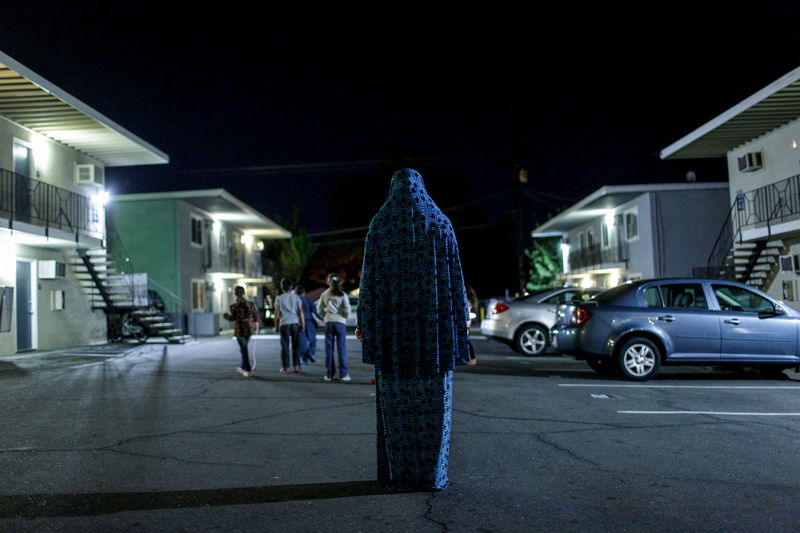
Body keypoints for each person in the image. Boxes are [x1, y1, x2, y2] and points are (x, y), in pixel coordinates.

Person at [356, 168, 470, 491]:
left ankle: (400, 475)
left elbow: (368, 281)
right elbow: (457, 279)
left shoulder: (380, 226)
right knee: (435, 408)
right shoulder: (441, 225)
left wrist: (365, 323)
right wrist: (460, 318)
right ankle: (433, 476)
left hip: (394, 342)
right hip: (435, 340)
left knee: (398, 410)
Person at [317, 274, 351, 381]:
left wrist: (325, 315)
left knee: (329, 349)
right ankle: (343, 375)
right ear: (340, 282)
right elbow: (347, 310)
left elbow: (319, 309)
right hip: (340, 323)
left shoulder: (324, 294)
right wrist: (344, 316)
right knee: (342, 349)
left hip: (329, 322)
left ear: (330, 282)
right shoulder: (343, 294)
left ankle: (330, 374)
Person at [222, 285, 260, 377]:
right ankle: (243, 366)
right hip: (249, 329)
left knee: (244, 349)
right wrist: (255, 321)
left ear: (235, 294)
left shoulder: (234, 306)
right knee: (244, 348)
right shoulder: (250, 304)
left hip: (240, 330)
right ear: (244, 293)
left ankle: (248, 369)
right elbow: (255, 315)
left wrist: (226, 315)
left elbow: (233, 318)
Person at [274, 278, 305, 374]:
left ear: (282, 287)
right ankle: (297, 366)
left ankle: (286, 367)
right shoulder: (296, 297)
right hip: (295, 323)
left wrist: (276, 325)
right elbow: (300, 312)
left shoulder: (279, 298)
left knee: (285, 346)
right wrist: (303, 324)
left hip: (284, 323)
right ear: (291, 287)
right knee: (296, 345)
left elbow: (277, 314)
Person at [295, 285, 322, 363]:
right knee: (312, 339)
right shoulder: (308, 300)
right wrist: (322, 318)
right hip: (309, 321)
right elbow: (315, 312)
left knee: (302, 341)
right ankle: (311, 353)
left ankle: (304, 359)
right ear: (304, 292)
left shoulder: (295, 300)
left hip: (298, 322)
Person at [467, 285, 479, 366]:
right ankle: (472, 358)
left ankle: (473, 358)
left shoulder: (467, 301)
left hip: (465, 323)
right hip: (467, 323)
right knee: (466, 341)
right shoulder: (470, 300)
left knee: (467, 341)